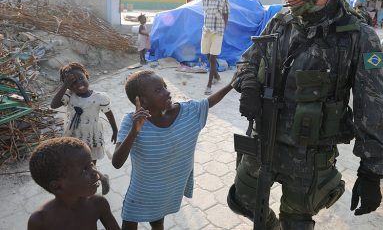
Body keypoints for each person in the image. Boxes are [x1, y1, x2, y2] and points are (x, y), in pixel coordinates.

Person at [226, 0, 383, 229]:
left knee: (297, 221)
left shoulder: (359, 36)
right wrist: (248, 83)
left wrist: (371, 171)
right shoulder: (280, 22)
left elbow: (374, 106)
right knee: (241, 202)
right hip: (263, 139)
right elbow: (247, 61)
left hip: (308, 156)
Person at [112, 69, 239, 230]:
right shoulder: (131, 121)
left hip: (167, 189)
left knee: (158, 222)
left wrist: (231, 84)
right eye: (159, 90)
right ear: (142, 102)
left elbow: (208, 102)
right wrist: (133, 132)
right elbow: (116, 162)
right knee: (129, 223)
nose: (167, 92)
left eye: (165, 86)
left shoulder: (187, 112)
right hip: (141, 192)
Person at [50, 62, 118, 194]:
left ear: (87, 76)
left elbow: (109, 113)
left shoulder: (99, 97)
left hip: (91, 136)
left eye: (81, 78)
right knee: (75, 165)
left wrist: (115, 130)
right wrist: (65, 86)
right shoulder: (69, 95)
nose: (79, 83)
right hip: (74, 135)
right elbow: (53, 105)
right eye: (73, 82)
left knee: (90, 167)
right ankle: (100, 178)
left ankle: (91, 188)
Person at [27, 137, 120, 230]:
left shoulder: (97, 203)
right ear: (58, 186)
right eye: (84, 169)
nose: (95, 172)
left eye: (91, 164)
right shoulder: (40, 221)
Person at [201, 0, 230, 95]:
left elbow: (226, 15)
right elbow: (205, 13)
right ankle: (217, 76)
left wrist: (223, 28)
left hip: (217, 32)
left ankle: (209, 85)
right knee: (208, 55)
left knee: (213, 58)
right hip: (206, 30)